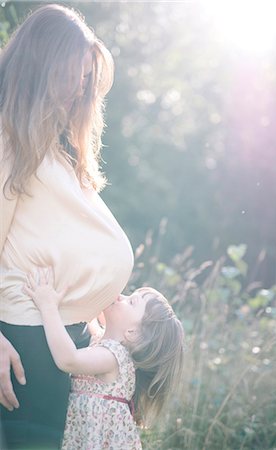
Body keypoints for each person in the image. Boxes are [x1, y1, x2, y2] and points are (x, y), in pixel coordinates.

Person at [0, 4, 134, 448]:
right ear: (42, 66)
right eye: (72, 76)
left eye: (84, 81)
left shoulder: (48, 142)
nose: (79, 91)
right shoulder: (7, 137)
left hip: (60, 334)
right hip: (25, 344)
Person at [23, 268, 184, 450]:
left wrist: (48, 306)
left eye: (131, 302)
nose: (121, 296)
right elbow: (93, 315)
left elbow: (68, 360)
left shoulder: (113, 357)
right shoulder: (103, 342)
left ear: (132, 333)